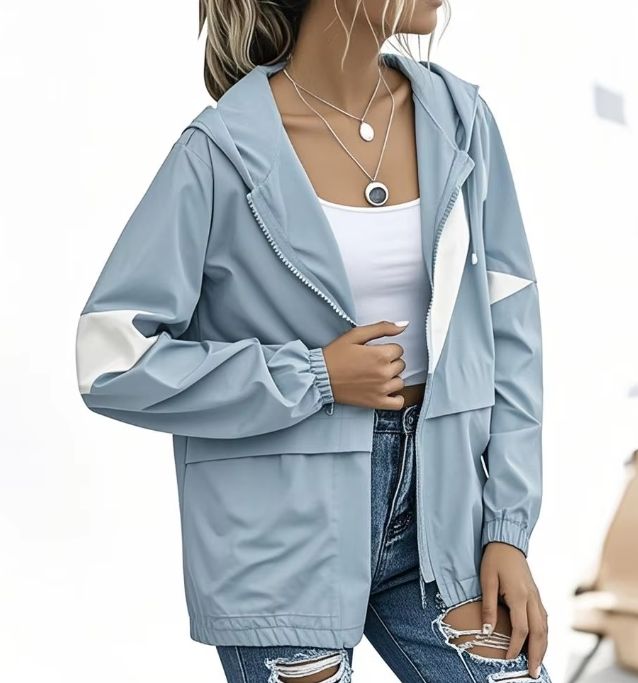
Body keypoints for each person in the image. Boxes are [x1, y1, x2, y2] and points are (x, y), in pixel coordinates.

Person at [75, 1, 552, 681]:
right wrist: (315, 375)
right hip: (280, 541)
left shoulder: (461, 121)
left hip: (443, 528)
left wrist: (507, 528)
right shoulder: (221, 151)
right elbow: (110, 358)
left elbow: (512, 331)